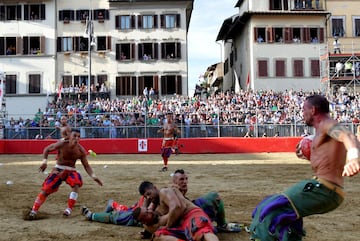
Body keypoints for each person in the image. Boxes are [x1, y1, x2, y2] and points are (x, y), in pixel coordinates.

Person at [249, 94, 360, 241]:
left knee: (270, 209)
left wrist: (353, 158)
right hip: (325, 188)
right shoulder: (321, 131)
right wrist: (311, 155)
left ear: (313, 110)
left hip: (323, 189)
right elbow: (327, 158)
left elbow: (348, 136)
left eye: (304, 110)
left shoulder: (327, 124)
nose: (302, 114)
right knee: (287, 215)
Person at [25, 129, 103, 220]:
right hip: (58, 169)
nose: (76, 138)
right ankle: (34, 211)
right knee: (46, 189)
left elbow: (86, 165)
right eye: (75, 136)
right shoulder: (62, 144)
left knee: (76, 183)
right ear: (70, 136)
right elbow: (47, 149)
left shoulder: (81, 150)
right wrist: (44, 162)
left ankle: (68, 209)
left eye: (79, 137)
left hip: (70, 171)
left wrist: (94, 177)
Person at [133, 181, 219, 241]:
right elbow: (142, 213)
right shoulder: (153, 207)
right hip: (181, 227)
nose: (148, 197)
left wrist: (168, 227)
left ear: (155, 188)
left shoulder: (164, 192)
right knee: (158, 237)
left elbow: (177, 207)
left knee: (201, 230)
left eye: (149, 194)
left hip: (191, 215)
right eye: (145, 196)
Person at [172, 169, 241, 233]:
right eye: (181, 179)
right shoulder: (172, 191)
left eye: (186, 179)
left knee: (214, 197)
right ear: (174, 181)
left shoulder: (180, 189)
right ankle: (222, 225)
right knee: (214, 196)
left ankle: (221, 225)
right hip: (186, 217)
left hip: (189, 213)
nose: (185, 182)